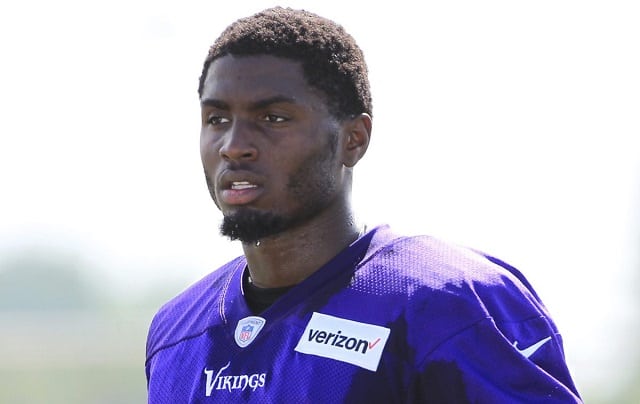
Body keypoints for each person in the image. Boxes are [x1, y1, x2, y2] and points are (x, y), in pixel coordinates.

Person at [145, 7, 582, 403]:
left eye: (273, 118)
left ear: (353, 139)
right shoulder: (177, 333)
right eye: (216, 120)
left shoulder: (449, 304)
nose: (234, 146)